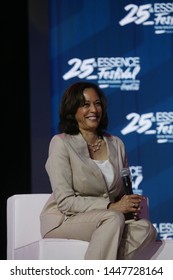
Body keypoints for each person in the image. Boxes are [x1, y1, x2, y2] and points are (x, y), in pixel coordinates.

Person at [40, 81, 157, 260]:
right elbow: (65, 202)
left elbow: (120, 193)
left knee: (145, 228)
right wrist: (111, 207)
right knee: (112, 219)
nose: (94, 110)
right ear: (73, 110)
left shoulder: (116, 144)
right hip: (66, 219)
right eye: (85, 105)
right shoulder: (61, 143)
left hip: (109, 218)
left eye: (97, 104)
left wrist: (127, 205)